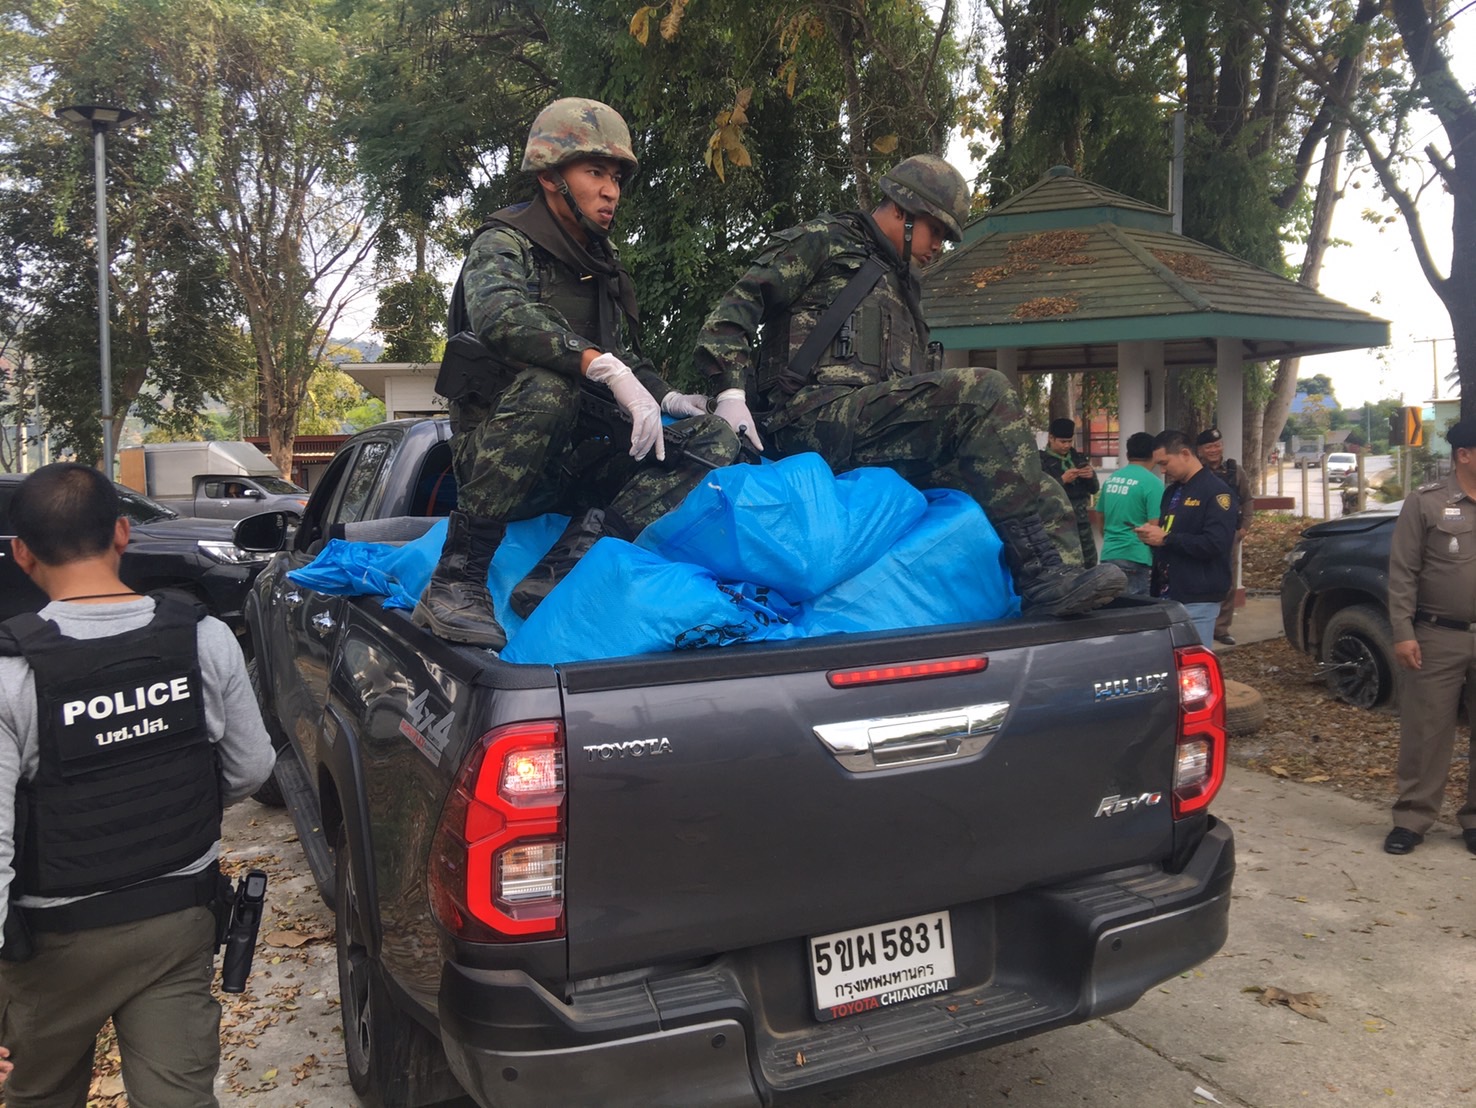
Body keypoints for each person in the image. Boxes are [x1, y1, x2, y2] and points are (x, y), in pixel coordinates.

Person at [691, 154, 1125, 617]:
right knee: (985, 393)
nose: (938, 246)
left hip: (877, 430)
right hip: (811, 418)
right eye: (935, 230)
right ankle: (1040, 578)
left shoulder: (905, 286)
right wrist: (732, 395)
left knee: (1040, 489)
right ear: (901, 209)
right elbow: (731, 314)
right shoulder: (825, 239)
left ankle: (1063, 597)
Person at [415, 98, 740, 648]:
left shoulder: (599, 264)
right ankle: (456, 582)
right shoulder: (504, 242)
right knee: (551, 389)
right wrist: (598, 366)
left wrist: (669, 398)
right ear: (550, 177)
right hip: (502, 455)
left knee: (712, 438)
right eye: (595, 173)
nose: (611, 191)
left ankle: (569, 565)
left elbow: (623, 357)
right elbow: (499, 314)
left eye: (616, 178)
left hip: (574, 459)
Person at [0, 462, 276, 1106]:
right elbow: (252, 767)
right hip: (178, 919)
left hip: (52, 944)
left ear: (22, 553)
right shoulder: (204, 638)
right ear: (123, 533)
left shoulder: (12, 675)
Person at [1382, 419, 1476, 856]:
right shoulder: (1426, 503)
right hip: (1439, 636)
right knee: (1426, 732)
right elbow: (1403, 571)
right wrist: (1403, 631)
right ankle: (1412, 819)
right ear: (1464, 455)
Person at [1135, 429, 1237, 647]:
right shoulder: (1171, 492)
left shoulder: (1216, 492)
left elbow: (1216, 543)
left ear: (1184, 454)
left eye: (1165, 463)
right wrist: (1153, 537)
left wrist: (1167, 539)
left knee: (1193, 660)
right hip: (1167, 593)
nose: (1163, 471)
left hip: (1198, 596)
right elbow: (1170, 533)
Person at [1196, 428, 1254, 645]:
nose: (1214, 450)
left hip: (1229, 535)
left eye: (1217, 445)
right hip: (1201, 535)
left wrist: (1244, 528)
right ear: (1200, 450)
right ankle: (1201, 625)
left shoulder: (1234, 471)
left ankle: (1221, 628)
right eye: (1209, 446)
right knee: (1200, 578)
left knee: (1227, 581)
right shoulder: (1195, 470)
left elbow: (1247, 500)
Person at [1097, 431, 1164, 597]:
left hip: (1109, 555)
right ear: (1154, 455)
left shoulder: (1111, 479)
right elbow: (1154, 526)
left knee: (1113, 608)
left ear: (1127, 455)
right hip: (1136, 557)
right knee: (1136, 610)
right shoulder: (1153, 483)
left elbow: (1100, 517)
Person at [1039, 417, 1100, 568]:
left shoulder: (1078, 459)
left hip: (1081, 522)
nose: (1066, 445)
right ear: (1051, 438)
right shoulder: (1041, 462)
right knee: (1063, 565)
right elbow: (1038, 494)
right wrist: (1061, 480)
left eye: (1069, 441)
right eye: (1062, 441)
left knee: (1089, 564)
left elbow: (1094, 489)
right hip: (1057, 523)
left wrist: (1090, 476)